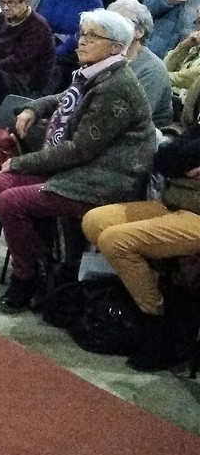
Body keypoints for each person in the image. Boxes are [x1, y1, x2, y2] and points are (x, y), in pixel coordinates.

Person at [0, 10, 156, 312]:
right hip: (76, 169)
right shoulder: (94, 73)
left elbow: (79, 150)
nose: (82, 41)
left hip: (102, 179)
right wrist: (34, 108)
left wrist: (22, 163)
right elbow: (66, 97)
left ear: (116, 47)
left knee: (13, 200)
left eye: (93, 36)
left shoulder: (117, 86)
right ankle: (43, 262)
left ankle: (25, 276)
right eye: (82, 33)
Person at [82, 129, 200, 371]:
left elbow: (176, 156)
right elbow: (163, 158)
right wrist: (187, 161)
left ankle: (158, 323)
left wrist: (183, 160)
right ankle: (158, 303)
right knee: (95, 221)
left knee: (116, 241)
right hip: (174, 204)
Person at [108, 0, 173, 129]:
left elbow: (134, 117)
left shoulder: (152, 70)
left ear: (140, 32)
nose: (113, 30)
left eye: (122, 23)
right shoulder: (104, 58)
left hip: (141, 134)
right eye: (109, 23)